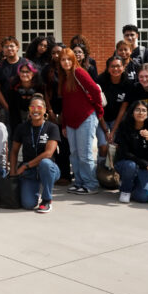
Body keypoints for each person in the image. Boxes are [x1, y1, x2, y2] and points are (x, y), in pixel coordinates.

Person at [58, 48, 104, 195]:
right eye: (63, 59)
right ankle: (79, 182)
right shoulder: (64, 77)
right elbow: (65, 104)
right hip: (71, 121)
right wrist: (64, 124)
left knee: (85, 154)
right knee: (74, 154)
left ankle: (91, 184)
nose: (66, 62)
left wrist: (99, 112)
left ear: (74, 60)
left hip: (86, 118)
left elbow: (95, 91)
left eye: (68, 59)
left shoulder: (79, 72)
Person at [9, 94, 61, 212]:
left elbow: (48, 153)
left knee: (45, 163)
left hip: (48, 168)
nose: (35, 110)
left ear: (44, 110)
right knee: (28, 204)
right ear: (29, 110)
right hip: (30, 171)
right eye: (32, 107)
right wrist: (13, 173)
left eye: (39, 107)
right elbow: (14, 151)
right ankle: (34, 191)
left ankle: (47, 200)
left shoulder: (52, 127)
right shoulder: (22, 127)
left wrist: (25, 166)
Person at [113, 101, 148, 203]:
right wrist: (145, 164)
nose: (140, 113)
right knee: (131, 166)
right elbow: (125, 153)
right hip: (125, 163)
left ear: (147, 114)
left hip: (143, 167)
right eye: (137, 110)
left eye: (144, 110)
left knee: (143, 197)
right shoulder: (124, 126)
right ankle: (125, 191)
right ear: (132, 112)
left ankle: (130, 183)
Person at [98, 56, 129, 157]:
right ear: (107, 68)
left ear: (123, 67)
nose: (115, 69)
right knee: (103, 146)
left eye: (118, 66)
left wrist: (113, 130)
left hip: (117, 119)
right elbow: (98, 107)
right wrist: (106, 130)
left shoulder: (127, 83)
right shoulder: (100, 81)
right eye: (112, 66)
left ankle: (113, 168)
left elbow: (123, 109)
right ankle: (101, 168)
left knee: (114, 145)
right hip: (101, 118)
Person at [4, 60, 41, 133]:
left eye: (27, 72)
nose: (24, 74)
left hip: (36, 121)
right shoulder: (13, 87)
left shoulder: (39, 87)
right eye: (22, 71)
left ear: (33, 73)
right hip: (17, 122)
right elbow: (12, 109)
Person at [0, 37, 22, 112]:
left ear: (17, 48)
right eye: (6, 46)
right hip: (5, 107)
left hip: (24, 107)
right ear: (3, 50)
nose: (9, 48)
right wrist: (6, 107)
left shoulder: (26, 64)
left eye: (12, 46)